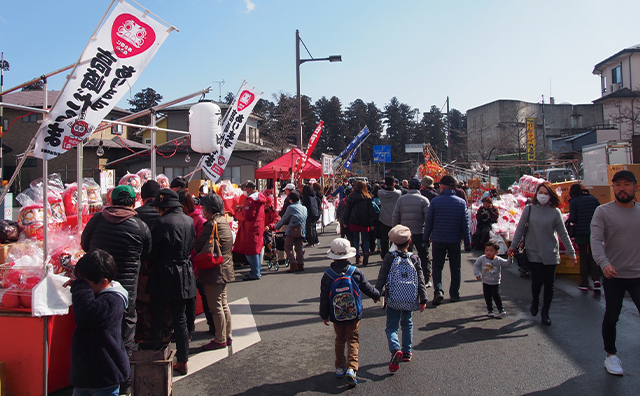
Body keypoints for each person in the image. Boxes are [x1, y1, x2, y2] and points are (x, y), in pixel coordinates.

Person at [80, 185, 151, 395]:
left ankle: (95, 379)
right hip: (126, 288)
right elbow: (146, 252)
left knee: (97, 331)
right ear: (132, 201)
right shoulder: (140, 226)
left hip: (97, 284)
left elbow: (85, 245)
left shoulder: (96, 220)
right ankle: (125, 383)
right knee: (126, 332)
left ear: (111, 200)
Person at [590, 170, 640, 376]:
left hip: (638, 275)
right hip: (613, 274)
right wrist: (604, 264)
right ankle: (611, 355)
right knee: (612, 316)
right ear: (613, 188)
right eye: (618, 184)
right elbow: (596, 241)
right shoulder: (603, 212)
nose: (622, 188)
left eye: (627, 184)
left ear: (635, 187)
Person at [508, 182, 577, 326]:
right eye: (541, 192)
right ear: (536, 194)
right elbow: (520, 229)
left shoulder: (555, 212)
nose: (543, 196)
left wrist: (571, 253)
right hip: (534, 252)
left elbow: (563, 234)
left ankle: (545, 311)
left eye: (546, 193)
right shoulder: (529, 209)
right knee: (537, 281)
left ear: (551, 195)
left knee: (549, 284)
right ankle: (535, 301)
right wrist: (513, 246)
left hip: (551, 252)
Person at [146, 188, 196, 376]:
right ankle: (183, 360)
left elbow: (152, 251)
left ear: (163, 207)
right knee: (180, 318)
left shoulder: (160, 223)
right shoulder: (189, 220)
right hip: (184, 271)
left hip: (163, 271)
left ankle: (158, 358)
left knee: (157, 316)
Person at [67, 249, 130, 396]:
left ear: (103, 282)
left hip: (105, 375)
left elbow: (86, 314)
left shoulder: (113, 300)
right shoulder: (97, 294)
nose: (82, 285)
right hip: (85, 376)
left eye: (85, 282)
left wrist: (80, 287)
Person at [320, 238, 380, 387]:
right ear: (348, 256)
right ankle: (352, 368)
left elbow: (324, 298)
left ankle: (340, 367)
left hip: (336, 315)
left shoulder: (327, 275)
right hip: (354, 314)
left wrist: (324, 315)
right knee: (353, 339)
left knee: (340, 339)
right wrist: (376, 296)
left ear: (333, 256)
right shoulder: (355, 272)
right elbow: (367, 287)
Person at [375, 225, 427, 373]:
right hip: (410, 298)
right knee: (407, 324)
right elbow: (421, 280)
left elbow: (382, 277)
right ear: (409, 241)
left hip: (393, 298)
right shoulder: (414, 258)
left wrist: (377, 293)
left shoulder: (389, 257)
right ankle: (407, 351)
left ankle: (395, 348)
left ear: (393, 242)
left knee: (391, 327)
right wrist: (423, 299)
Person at [423, 175, 471, 306]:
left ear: (443, 187)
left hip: (438, 238)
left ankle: (438, 290)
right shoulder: (461, 203)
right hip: (455, 239)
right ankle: (454, 293)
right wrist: (467, 242)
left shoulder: (435, 201)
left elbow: (429, 222)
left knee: (437, 266)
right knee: (455, 267)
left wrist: (425, 238)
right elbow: (465, 224)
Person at [197, 194, 236, 351]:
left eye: (203, 207)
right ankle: (227, 335)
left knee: (215, 306)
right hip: (225, 266)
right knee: (223, 303)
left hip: (214, 270)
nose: (202, 210)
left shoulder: (212, 224)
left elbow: (199, 245)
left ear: (209, 208)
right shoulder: (223, 222)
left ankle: (220, 338)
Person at [179, 190, 214, 335]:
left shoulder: (197, 220)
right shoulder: (192, 218)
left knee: (204, 296)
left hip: (197, 262)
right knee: (192, 296)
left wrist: (197, 267)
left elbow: (201, 245)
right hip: (190, 263)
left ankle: (212, 325)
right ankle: (192, 326)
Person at [392, 177, 432, 287]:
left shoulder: (401, 199)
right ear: (420, 187)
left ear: (408, 187)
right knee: (423, 256)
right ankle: (426, 279)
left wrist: (395, 230)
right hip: (420, 231)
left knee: (404, 256)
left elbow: (395, 216)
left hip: (405, 233)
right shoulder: (424, 200)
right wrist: (429, 233)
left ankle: (405, 277)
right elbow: (428, 219)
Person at [568, 182, 601, 291]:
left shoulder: (573, 202)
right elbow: (600, 212)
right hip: (594, 231)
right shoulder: (592, 199)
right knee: (594, 255)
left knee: (583, 256)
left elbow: (573, 218)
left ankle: (584, 282)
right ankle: (596, 278)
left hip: (581, 232)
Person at [233, 181, 267, 281]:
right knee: (255, 249)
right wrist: (243, 209)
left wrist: (238, 214)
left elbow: (247, 216)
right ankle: (256, 271)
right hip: (257, 226)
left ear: (250, 189)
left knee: (251, 250)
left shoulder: (251, 201)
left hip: (250, 228)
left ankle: (255, 272)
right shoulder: (257, 199)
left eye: (245, 188)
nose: (244, 190)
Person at [473, 241, 513, 317]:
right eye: (486, 250)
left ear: (496, 252)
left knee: (496, 296)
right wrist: (477, 274)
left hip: (495, 282)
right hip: (485, 282)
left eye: (491, 251)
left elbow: (507, 264)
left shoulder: (498, 260)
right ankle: (490, 310)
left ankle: (500, 309)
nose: (488, 253)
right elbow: (476, 265)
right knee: (487, 296)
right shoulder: (482, 258)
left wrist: (510, 258)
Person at [342, 181, 376, 266]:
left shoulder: (351, 197)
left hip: (354, 220)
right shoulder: (367, 198)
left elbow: (347, 210)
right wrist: (372, 223)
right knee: (365, 239)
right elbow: (371, 211)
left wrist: (344, 221)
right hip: (365, 221)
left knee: (355, 240)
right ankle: (366, 252)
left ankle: (357, 255)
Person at [274, 191, 308, 272]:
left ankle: (293, 264)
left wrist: (276, 227)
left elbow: (284, 219)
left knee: (288, 247)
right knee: (299, 247)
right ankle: (300, 264)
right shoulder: (304, 208)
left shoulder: (291, 207)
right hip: (301, 230)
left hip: (292, 229)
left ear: (291, 200)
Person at [378, 176, 402, 259]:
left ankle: (384, 254)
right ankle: (394, 253)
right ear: (393, 183)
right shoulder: (398, 193)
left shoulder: (380, 193)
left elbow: (381, 190)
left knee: (384, 238)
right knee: (395, 237)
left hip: (384, 217)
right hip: (395, 217)